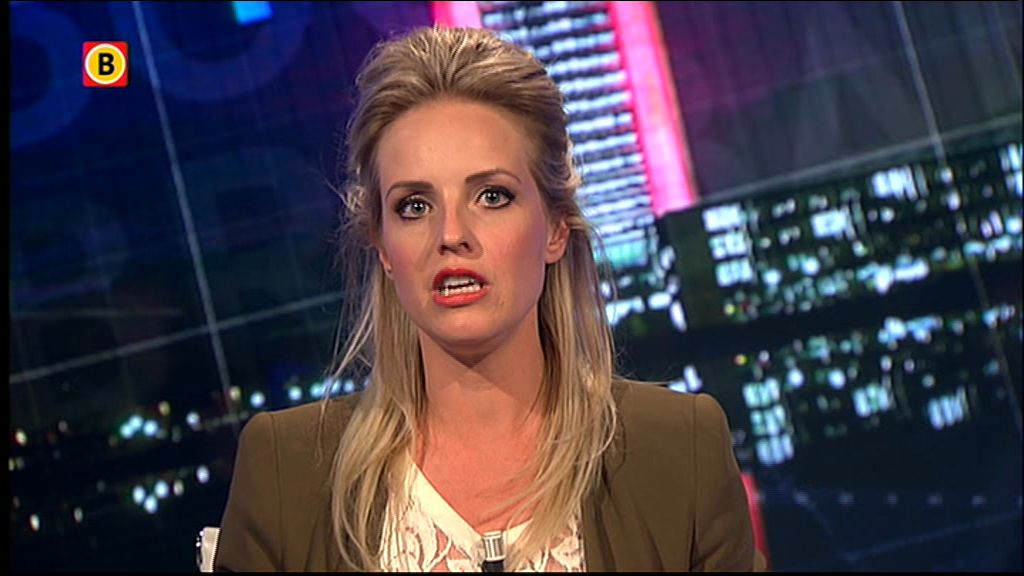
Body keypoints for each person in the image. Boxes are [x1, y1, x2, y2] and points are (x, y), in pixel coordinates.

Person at [213, 25, 761, 572]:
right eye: (414, 206)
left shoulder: (678, 451)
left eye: (492, 196)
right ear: (382, 246)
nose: (451, 234)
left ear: (555, 228)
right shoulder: (287, 474)